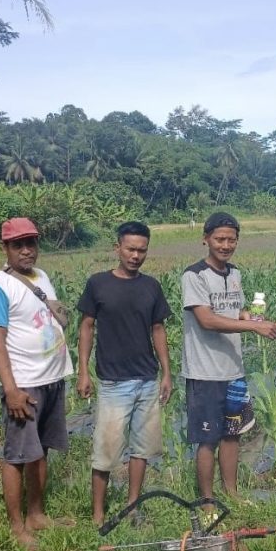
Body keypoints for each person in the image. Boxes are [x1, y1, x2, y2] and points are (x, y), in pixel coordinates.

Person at [0, 218, 73, 551]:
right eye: (17, 244)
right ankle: (17, 527)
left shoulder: (41, 277)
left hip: (51, 379)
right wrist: (11, 390)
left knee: (40, 450)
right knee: (17, 456)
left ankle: (36, 514)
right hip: (25, 385)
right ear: (4, 248)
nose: (26, 250)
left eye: (30, 243)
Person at [181, 212, 276, 505]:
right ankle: (207, 500)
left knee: (232, 433)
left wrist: (251, 317)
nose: (225, 245)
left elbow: (232, 312)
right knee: (208, 438)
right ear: (206, 239)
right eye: (219, 239)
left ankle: (233, 494)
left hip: (233, 369)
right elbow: (207, 320)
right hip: (205, 372)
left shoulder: (235, 273)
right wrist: (254, 327)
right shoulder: (194, 275)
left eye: (231, 240)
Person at [77, 221, 173, 526]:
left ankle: (133, 506)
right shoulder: (98, 284)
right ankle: (97, 514)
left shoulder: (151, 286)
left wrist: (166, 373)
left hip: (147, 379)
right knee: (105, 451)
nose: (135, 256)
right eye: (130, 249)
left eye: (142, 250)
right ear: (117, 247)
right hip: (113, 382)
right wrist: (83, 371)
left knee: (142, 448)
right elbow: (86, 327)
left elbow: (158, 329)